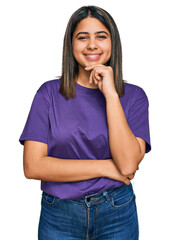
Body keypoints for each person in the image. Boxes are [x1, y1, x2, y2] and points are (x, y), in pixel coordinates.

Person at [19, 5, 151, 240]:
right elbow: (33, 166)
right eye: (82, 37)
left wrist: (110, 94)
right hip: (59, 214)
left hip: (117, 212)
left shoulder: (134, 96)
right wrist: (105, 167)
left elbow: (129, 164)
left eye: (101, 36)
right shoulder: (48, 94)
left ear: (113, 43)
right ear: (71, 45)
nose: (92, 45)